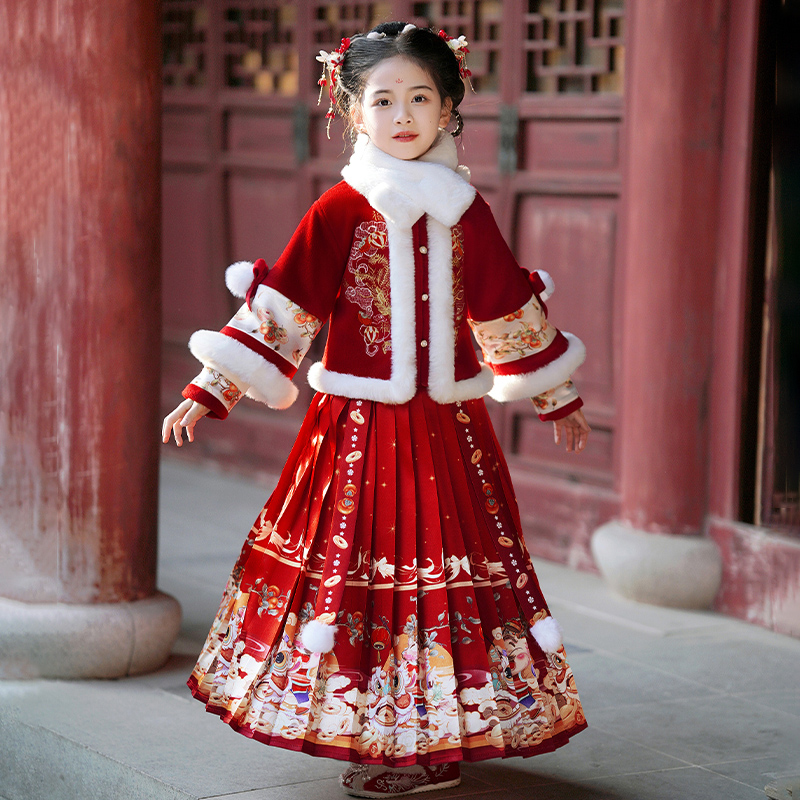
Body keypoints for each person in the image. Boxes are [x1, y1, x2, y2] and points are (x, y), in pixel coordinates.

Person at [162, 21, 591, 798]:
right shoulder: (340, 208)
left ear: (449, 107)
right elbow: (286, 304)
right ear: (352, 109)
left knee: (448, 572)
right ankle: (380, 732)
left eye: (420, 98)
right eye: (383, 99)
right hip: (358, 431)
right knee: (359, 572)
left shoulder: (466, 210)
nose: (402, 115)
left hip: (450, 431)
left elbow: (505, 310)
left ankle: (435, 744)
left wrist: (556, 394)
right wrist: (212, 386)